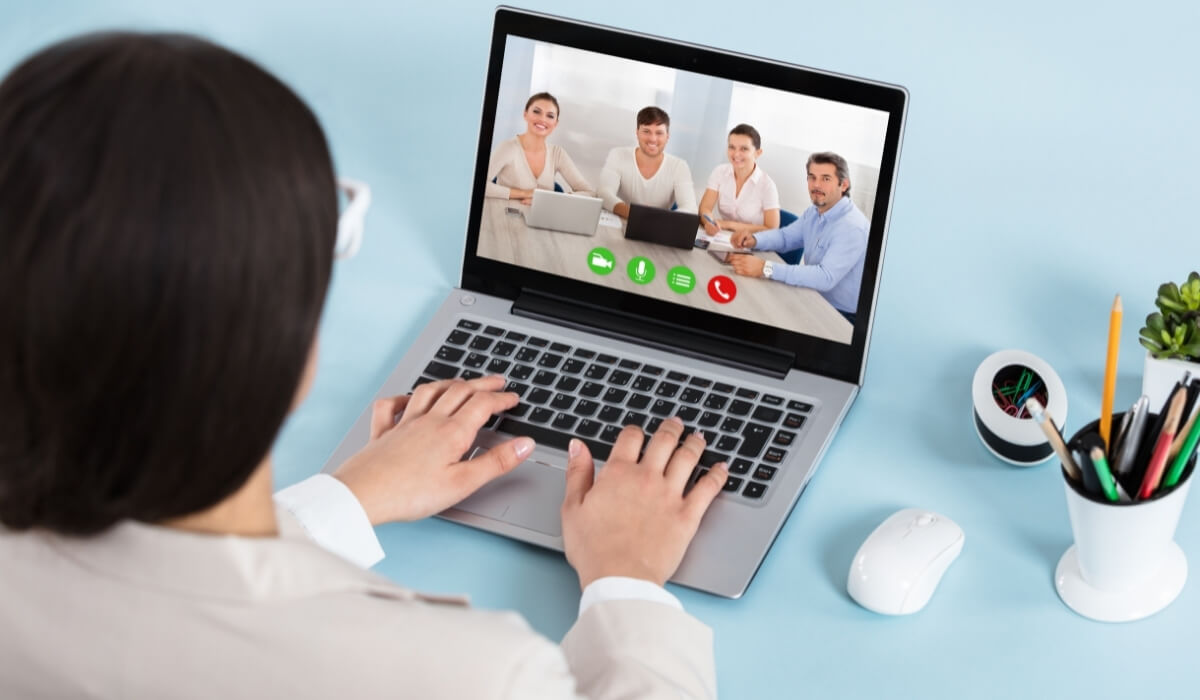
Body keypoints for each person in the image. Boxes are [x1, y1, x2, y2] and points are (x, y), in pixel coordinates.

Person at [0, 33, 728, 698]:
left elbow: (155, 596)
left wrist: (341, 501)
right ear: (287, 354)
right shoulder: (474, 676)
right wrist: (626, 581)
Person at [728, 152, 869, 324]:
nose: (816, 185)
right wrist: (755, 240)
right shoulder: (815, 211)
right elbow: (785, 237)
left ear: (844, 185)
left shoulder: (852, 227)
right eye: (812, 177)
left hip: (839, 315)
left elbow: (825, 277)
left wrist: (766, 268)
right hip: (812, 295)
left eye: (825, 179)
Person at [484, 92, 594, 205]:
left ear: (555, 124)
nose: (543, 119)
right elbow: (480, 185)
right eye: (536, 112)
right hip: (504, 219)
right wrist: (525, 193)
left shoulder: (557, 153)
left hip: (541, 221)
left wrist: (552, 199)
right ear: (525, 114)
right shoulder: (507, 148)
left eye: (550, 116)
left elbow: (588, 192)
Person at [597, 106, 697, 217]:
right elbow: (604, 193)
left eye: (659, 133)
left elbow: (690, 208)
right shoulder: (618, 155)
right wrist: (635, 215)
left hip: (659, 228)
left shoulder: (679, 166)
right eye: (646, 131)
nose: (653, 139)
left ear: (667, 136)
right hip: (622, 220)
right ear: (637, 132)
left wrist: (657, 220)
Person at [698, 123, 780, 237]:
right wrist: (709, 222)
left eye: (744, 149)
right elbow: (705, 208)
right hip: (723, 238)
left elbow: (772, 229)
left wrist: (728, 225)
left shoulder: (767, 185)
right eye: (732, 147)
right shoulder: (720, 172)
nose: (736, 154)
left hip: (754, 243)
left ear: (758, 153)